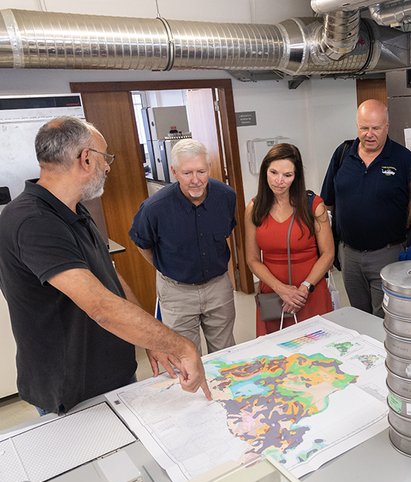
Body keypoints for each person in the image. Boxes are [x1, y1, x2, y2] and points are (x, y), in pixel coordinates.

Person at [0, 116, 210, 415]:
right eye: (105, 156)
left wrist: (152, 340)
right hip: (72, 389)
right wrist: (182, 347)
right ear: (86, 158)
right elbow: (101, 307)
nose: (109, 166)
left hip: (111, 375)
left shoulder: (73, 209)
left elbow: (109, 275)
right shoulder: (33, 221)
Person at [130, 139, 237, 355]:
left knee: (226, 354)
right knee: (185, 357)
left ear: (209, 169)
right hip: (176, 292)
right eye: (187, 173)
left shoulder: (226, 196)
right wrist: (167, 268)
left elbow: (226, 233)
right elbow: (143, 244)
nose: (196, 180)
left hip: (218, 287)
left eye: (201, 171)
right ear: (174, 171)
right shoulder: (154, 208)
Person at [320, 99, 411, 317]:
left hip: (388, 254)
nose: (369, 134)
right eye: (364, 128)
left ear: (387, 127)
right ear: (357, 126)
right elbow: (327, 201)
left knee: (384, 317)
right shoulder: (343, 154)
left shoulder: (403, 159)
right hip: (349, 255)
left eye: (375, 128)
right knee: (358, 315)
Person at [245, 143, 334, 336]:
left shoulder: (313, 205)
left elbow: (328, 254)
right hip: (273, 295)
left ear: (297, 176)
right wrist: (281, 289)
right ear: (264, 172)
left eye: (287, 175)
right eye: (273, 172)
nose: (279, 181)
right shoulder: (254, 208)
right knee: (277, 358)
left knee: (318, 356)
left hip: (309, 293)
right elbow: (252, 259)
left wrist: (304, 288)